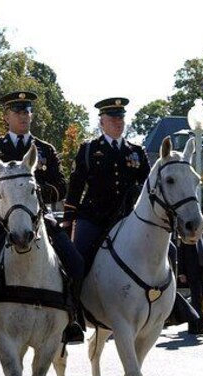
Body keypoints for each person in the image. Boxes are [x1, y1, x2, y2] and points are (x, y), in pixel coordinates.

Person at [0, 91, 83, 343]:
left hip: (39, 220)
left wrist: (36, 191)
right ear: (7, 117)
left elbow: (61, 186)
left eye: (27, 112)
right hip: (0, 222)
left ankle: (71, 318)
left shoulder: (44, 149)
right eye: (18, 112)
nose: (24, 116)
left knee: (76, 264)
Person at [64, 97, 151, 264]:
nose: (118, 122)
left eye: (121, 118)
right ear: (102, 122)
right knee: (77, 260)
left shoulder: (137, 151)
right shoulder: (89, 149)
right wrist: (68, 219)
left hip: (127, 218)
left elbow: (148, 186)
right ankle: (75, 290)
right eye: (113, 118)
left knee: (168, 252)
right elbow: (76, 187)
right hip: (94, 217)